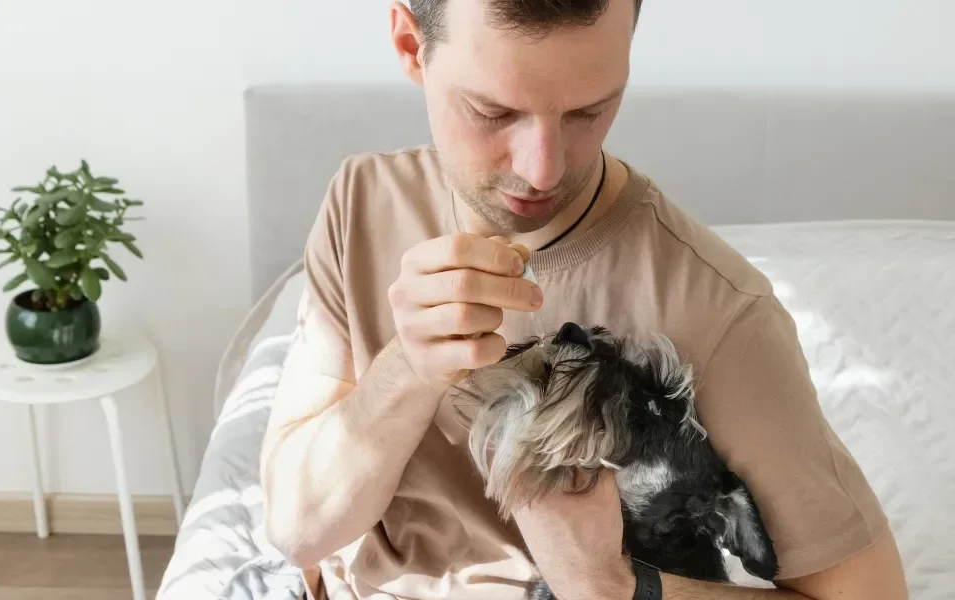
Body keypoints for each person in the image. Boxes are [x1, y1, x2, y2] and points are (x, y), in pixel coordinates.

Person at [260, 1, 909, 598]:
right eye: (494, 112)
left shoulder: (719, 309)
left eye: (588, 112)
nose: (543, 169)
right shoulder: (361, 200)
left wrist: (610, 585)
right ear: (410, 45)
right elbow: (298, 529)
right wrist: (406, 368)